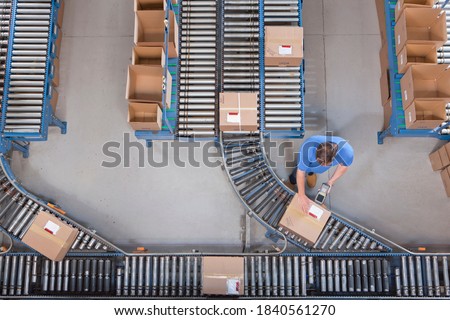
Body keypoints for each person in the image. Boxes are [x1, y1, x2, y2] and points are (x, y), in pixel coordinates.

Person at [288, 135, 354, 213]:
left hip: (317, 167)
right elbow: (301, 171)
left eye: (324, 163)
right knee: (297, 172)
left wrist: (330, 182)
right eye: (319, 161)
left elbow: (344, 166)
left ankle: (311, 173)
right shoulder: (308, 148)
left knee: (314, 169)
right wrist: (301, 195)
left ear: (333, 158)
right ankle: (292, 181)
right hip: (305, 163)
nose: (321, 164)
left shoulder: (347, 152)